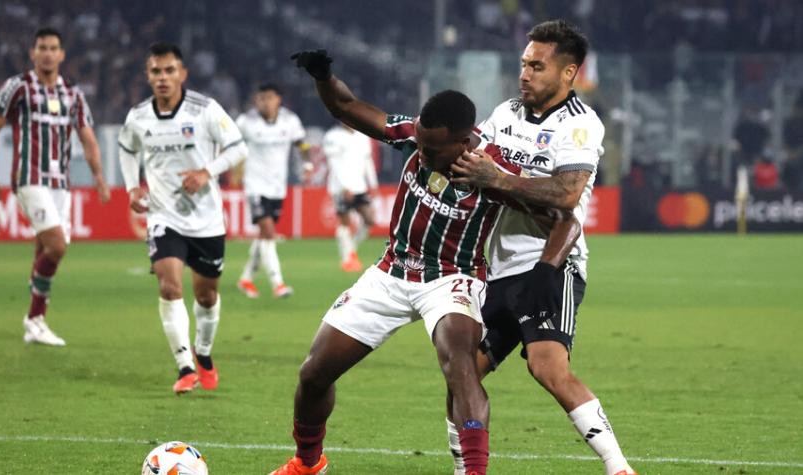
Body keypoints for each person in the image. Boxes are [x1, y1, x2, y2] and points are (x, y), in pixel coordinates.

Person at [267, 49, 579, 475]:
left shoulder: (493, 172)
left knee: (461, 368)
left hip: (453, 278)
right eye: (423, 146)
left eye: (434, 150)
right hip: (392, 270)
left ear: (465, 139)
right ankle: (307, 463)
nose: (424, 154)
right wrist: (324, 76)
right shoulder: (417, 135)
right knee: (313, 374)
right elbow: (346, 106)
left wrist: (546, 270)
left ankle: (473, 470)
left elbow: (566, 221)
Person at [447, 20, 637, 475]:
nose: (525, 74)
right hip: (498, 268)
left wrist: (499, 179)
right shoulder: (506, 113)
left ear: (568, 73)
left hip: (552, 263)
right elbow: (475, 168)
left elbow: (567, 195)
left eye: (537, 66)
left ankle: (619, 467)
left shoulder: (580, 126)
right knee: (461, 374)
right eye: (523, 64)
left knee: (547, 367)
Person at [117, 42, 247, 394]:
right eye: (156, 71)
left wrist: (207, 172)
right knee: (169, 285)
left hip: (206, 220)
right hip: (163, 215)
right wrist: (132, 188)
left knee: (206, 297)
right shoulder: (139, 117)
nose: (163, 78)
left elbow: (238, 147)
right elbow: (126, 149)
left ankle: (203, 352)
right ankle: (185, 366)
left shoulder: (205, 110)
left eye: (169, 70)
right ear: (148, 76)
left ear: (182, 74)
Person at [0, 27, 110, 346]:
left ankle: (35, 321)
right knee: (57, 246)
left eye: (54, 48)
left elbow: (88, 137)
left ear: (62, 54)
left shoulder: (73, 93)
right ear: (33, 53)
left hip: (60, 183)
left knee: (46, 248)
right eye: (42, 47)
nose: (48, 53)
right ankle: (35, 317)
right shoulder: (18, 87)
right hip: (29, 178)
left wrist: (99, 177)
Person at [235, 83, 311, 298]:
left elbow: (301, 144)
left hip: (277, 187)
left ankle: (246, 278)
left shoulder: (290, 120)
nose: (264, 102)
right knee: (268, 232)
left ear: (278, 99)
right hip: (255, 185)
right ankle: (278, 283)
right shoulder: (245, 121)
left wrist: (307, 165)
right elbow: (229, 144)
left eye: (269, 97)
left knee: (263, 236)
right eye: (260, 98)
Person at [322, 122, 378, 271]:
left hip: (360, 185)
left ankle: (350, 250)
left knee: (369, 220)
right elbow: (333, 163)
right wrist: (345, 186)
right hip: (340, 187)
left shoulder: (363, 135)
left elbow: (367, 161)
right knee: (344, 222)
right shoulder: (332, 136)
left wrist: (373, 183)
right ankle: (347, 259)